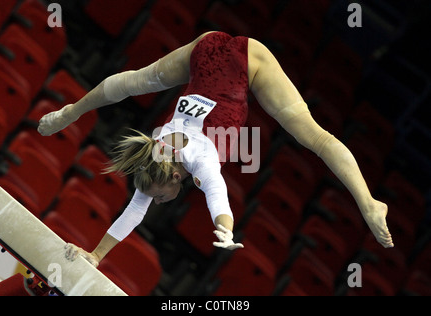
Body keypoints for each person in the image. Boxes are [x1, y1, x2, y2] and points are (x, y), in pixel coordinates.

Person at [38, 31, 394, 268]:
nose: (158, 202)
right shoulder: (155, 152)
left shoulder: (200, 159)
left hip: (247, 61)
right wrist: (96, 256)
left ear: (176, 174)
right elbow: (135, 209)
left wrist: (225, 229)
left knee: (315, 137)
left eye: (159, 198)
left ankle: (368, 203)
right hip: (204, 49)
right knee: (131, 82)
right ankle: (69, 112)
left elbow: (218, 196)